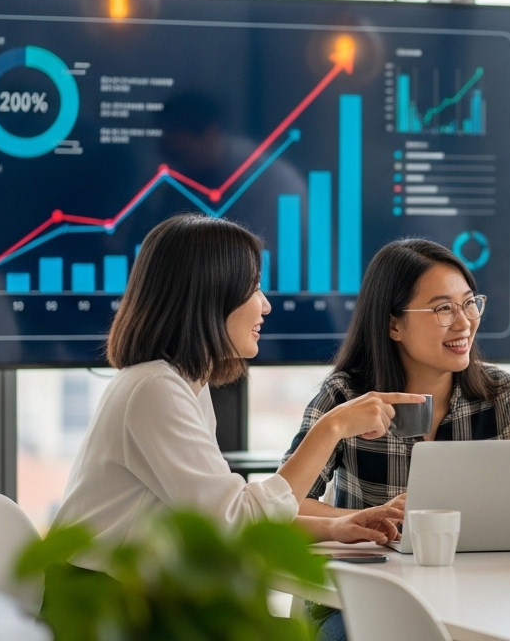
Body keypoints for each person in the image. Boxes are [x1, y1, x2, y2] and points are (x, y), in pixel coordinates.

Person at [53, 214, 420, 552]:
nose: (265, 306)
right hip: (102, 605)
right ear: (210, 296)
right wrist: (333, 426)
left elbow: (227, 516)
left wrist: (337, 526)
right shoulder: (155, 390)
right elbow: (235, 521)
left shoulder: (179, 385)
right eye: (253, 288)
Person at [284, 238, 510, 641]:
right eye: (443, 309)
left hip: (476, 594)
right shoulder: (346, 397)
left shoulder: (499, 394)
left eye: (469, 303)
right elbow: (286, 503)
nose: (464, 322)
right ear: (393, 324)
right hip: (362, 597)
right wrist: (363, 519)